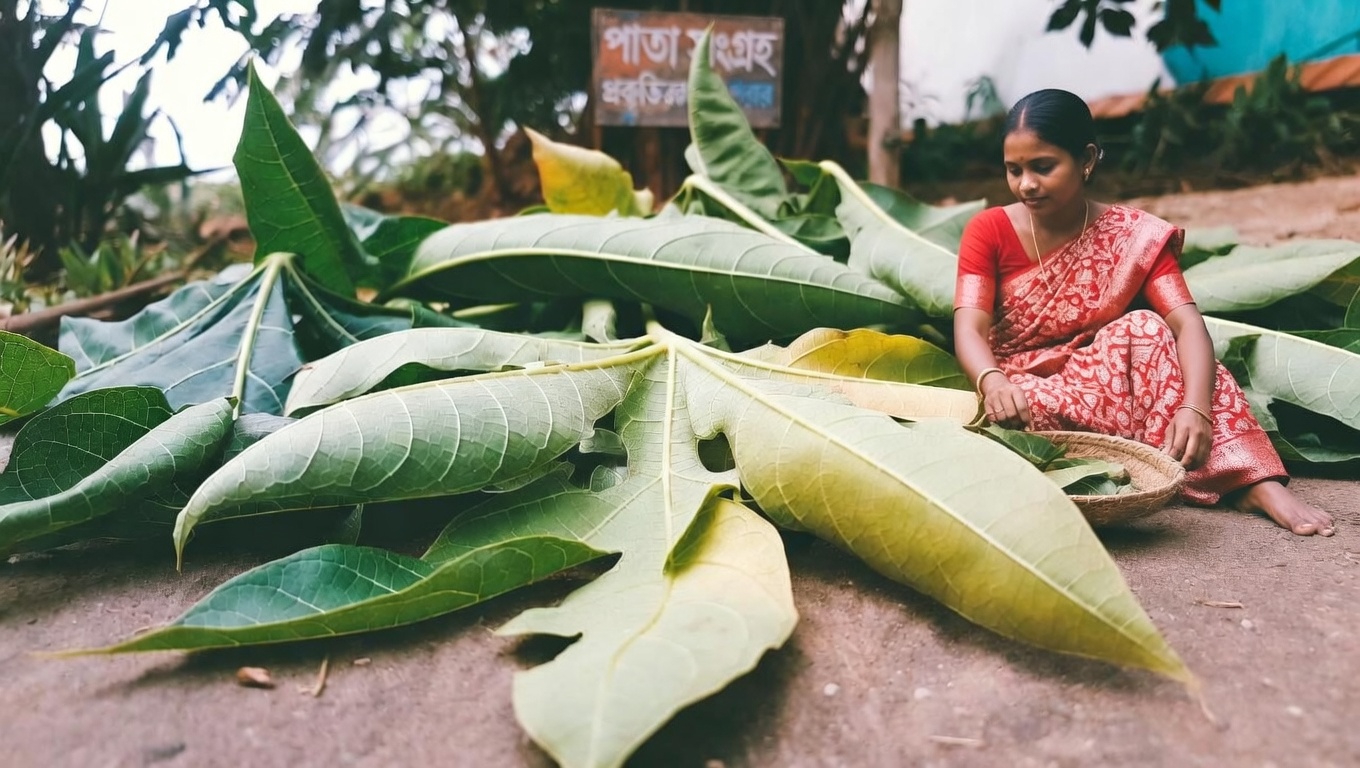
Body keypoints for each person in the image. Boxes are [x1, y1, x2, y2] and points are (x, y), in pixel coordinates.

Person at [952, 88, 1334, 537]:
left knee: (1146, 329)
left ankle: (1254, 480)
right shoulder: (989, 230)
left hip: (1100, 382)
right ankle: (1160, 461)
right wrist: (993, 381)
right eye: (1014, 170)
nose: (1026, 185)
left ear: (1087, 159)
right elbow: (969, 329)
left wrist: (1195, 408)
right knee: (1003, 424)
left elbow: (1186, 322)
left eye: (1043, 167)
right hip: (1023, 396)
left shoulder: (1133, 235)